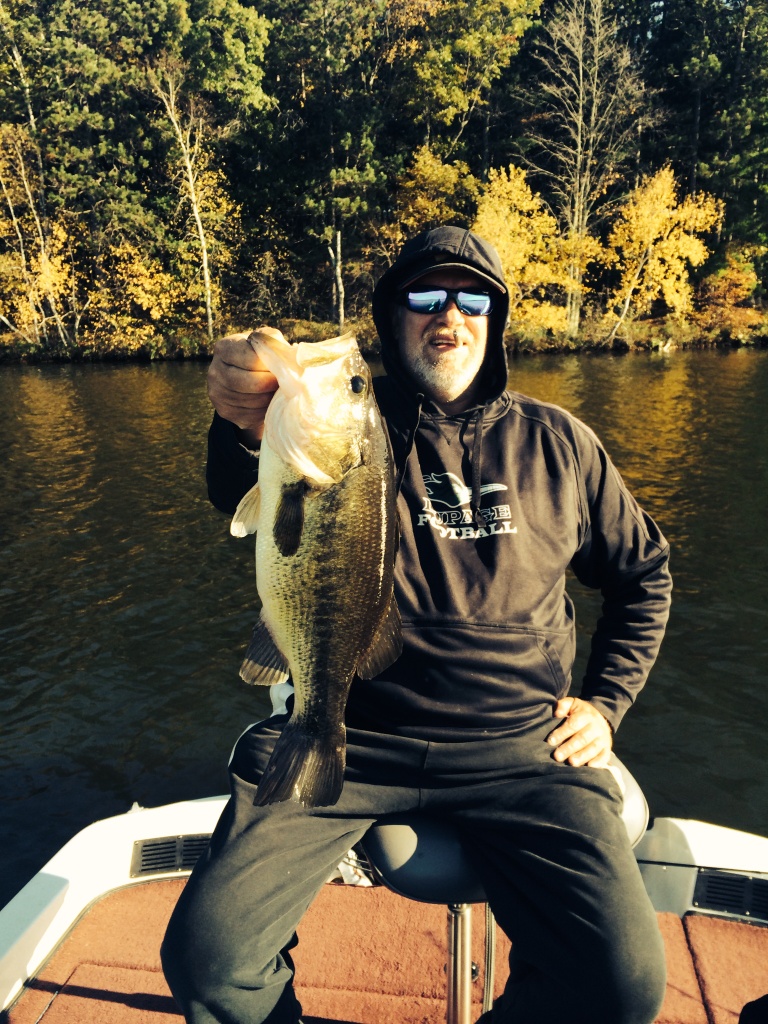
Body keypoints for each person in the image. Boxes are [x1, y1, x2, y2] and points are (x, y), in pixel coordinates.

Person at [161, 225, 672, 1024]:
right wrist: (239, 418)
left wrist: (605, 704)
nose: (450, 317)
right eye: (425, 298)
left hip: (522, 748)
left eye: (472, 299)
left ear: (495, 320)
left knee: (622, 988)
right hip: (354, 731)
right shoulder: (351, 428)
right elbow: (242, 491)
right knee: (208, 961)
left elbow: (645, 576)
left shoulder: (562, 444)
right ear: (393, 317)